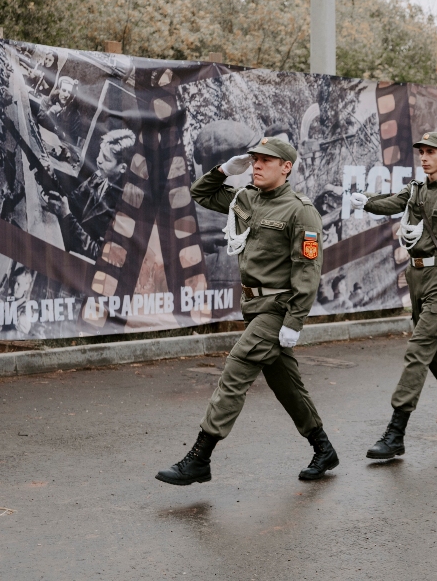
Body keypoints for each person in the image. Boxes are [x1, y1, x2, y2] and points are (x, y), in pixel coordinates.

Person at [156, 137, 338, 485]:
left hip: (278, 309)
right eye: (254, 159)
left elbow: (307, 269)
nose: (256, 165)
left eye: (265, 161)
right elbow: (201, 193)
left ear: (286, 167)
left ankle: (199, 457)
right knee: (285, 384)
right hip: (254, 306)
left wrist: (295, 320)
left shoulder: (300, 210)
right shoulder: (246, 199)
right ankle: (323, 448)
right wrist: (226, 169)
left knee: (236, 369)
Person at [350, 132, 437, 457]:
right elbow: (391, 203)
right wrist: (365, 200)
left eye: (431, 152)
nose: (424, 157)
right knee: (434, 353)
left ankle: (396, 432)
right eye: (421, 151)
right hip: (416, 276)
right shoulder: (416, 191)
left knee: (418, 349)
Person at [45, 128, 136, 260]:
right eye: (100, 152)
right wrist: (51, 179)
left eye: (106, 158)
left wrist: (67, 217)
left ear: (122, 168)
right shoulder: (99, 177)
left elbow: (98, 254)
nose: (99, 160)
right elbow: (72, 202)